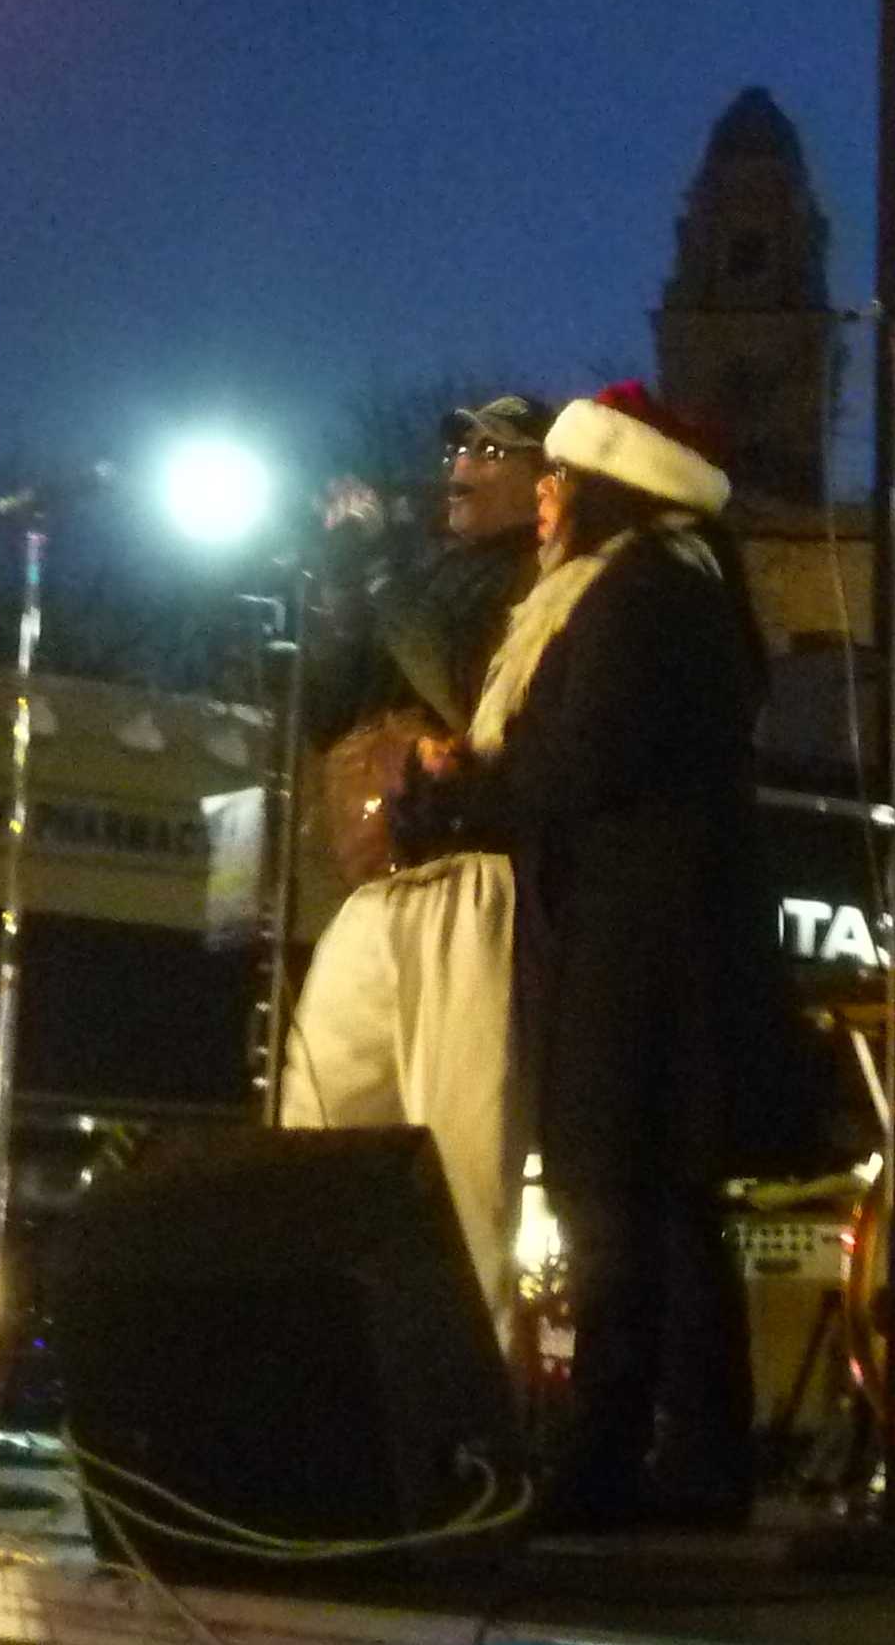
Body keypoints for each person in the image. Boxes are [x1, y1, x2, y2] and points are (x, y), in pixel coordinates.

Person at [396, 384, 810, 1530]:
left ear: (609, 485)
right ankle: (686, 1454)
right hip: (652, 930)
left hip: (642, 940)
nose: (541, 500)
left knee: (617, 1191)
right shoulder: (665, 586)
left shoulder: (641, 597)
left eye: (559, 479)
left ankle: (616, 1451)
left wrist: (457, 794)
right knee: (659, 1197)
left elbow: (584, 766)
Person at [277, 395, 550, 1318]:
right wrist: (339, 585)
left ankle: (472, 1429)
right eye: (458, 446)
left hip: (476, 879)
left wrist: (384, 573)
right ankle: (335, 1378)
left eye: (489, 449)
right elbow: (325, 714)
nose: (460, 464)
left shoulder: (538, 579)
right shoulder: (431, 574)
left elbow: (461, 690)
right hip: (381, 881)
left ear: (540, 479)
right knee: (317, 1125)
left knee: (463, 1165)